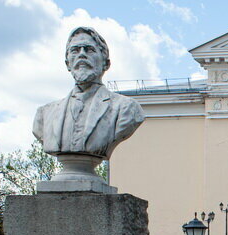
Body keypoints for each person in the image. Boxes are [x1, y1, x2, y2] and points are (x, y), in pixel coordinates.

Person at [33, 27, 144, 160]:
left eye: (89, 49)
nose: (82, 54)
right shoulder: (45, 114)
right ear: (67, 63)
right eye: (75, 50)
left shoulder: (126, 108)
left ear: (106, 63)